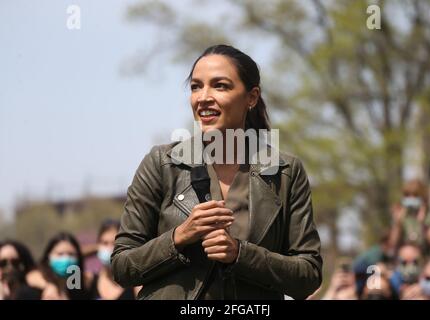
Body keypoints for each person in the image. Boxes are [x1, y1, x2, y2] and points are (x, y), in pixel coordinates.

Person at [111, 44, 322, 300]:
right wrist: (179, 236)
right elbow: (122, 267)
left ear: (251, 97)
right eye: (196, 87)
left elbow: (308, 275)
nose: (203, 97)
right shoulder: (162, 164)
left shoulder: (285, 172)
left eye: (220, 86)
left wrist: (240, 254)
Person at [27, 232, 93, 300]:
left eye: (71, 254)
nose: (66, 259)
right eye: (60, 254)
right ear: (48, 257)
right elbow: (31, 276)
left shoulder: (82, 287)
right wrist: (49, 286)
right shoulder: (37, 290)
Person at [388, 179, 430, 257]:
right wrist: (398, 223)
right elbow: (392, 243)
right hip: (403, 260)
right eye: (408, 195)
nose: (411, 199)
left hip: (424, 258)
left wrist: (423, 224)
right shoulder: (402, 215)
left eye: (415, 196)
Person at [90, 219, 137, 300]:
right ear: (97, 245)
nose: (109, 248)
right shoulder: (90, 281)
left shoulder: (135, 284)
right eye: (105, 243)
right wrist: (96, 249)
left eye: (114, 244)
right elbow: (73, 252)